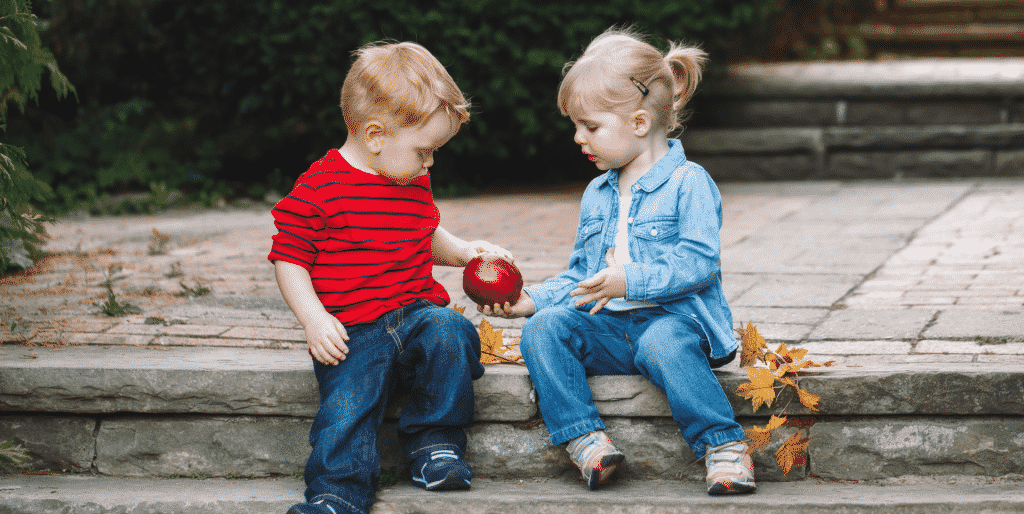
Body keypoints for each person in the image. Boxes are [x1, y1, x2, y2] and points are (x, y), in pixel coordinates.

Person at [481, 27, 755, 495]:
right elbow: (583, 277)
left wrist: (630, 280)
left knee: (663, 344)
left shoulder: (690, 183)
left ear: (641, 124)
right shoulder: (597, 193)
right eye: (576, 126)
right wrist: (532, 300)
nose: (577, 138)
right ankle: (586, 440)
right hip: (611, 329)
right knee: (546, 330)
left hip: (675, 322)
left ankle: (723, 445)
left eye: (590, 127)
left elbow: (698, 262)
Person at [270, 41, 511, 514]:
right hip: (352, 327)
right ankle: (338, 491)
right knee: (348, 406)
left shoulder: (408, 177)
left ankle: (435, 443)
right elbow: (289, 259)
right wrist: (314, 320)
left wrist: (463, 252)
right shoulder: (318, 189)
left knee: (452, 332)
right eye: (425, 151)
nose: (430, 164)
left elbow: (424, 229)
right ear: (376, 135)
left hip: (416, 312)